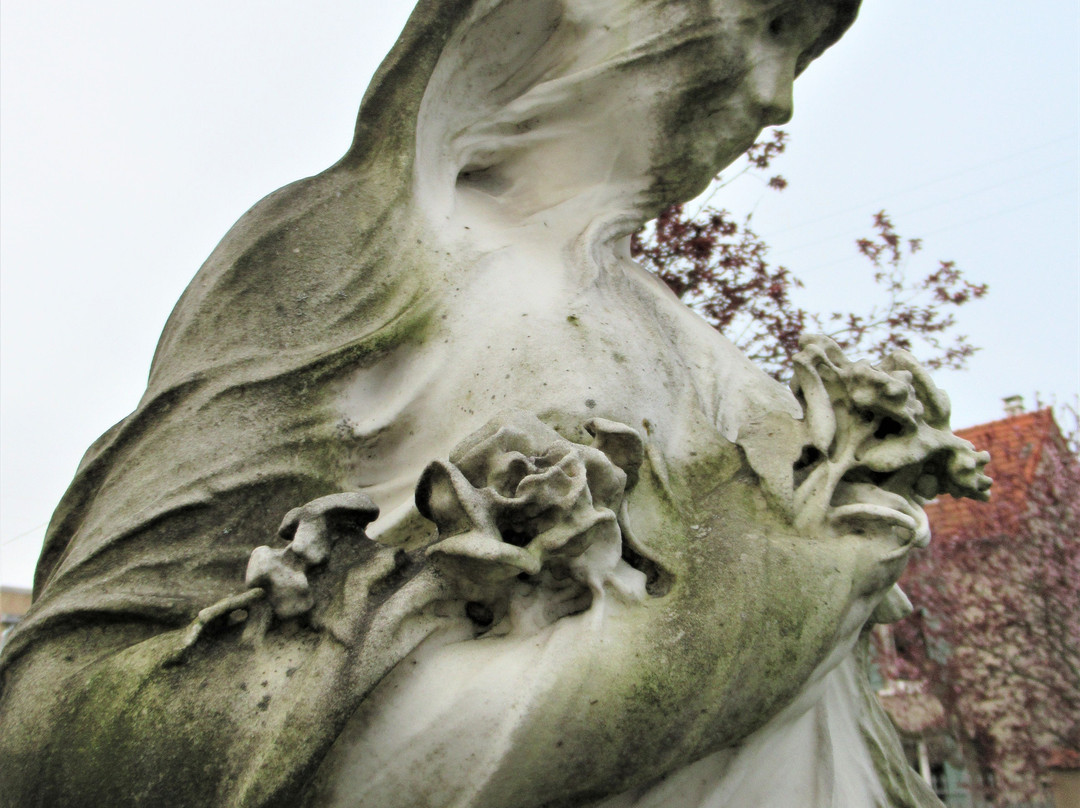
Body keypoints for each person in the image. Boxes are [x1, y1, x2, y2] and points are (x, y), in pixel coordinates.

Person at [1, 0, 969, 805]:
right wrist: (712, 645)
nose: (775, 99)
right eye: (769, 23)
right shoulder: (368, 250)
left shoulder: (714, 364)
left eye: (800, 54)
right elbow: (58, 730)